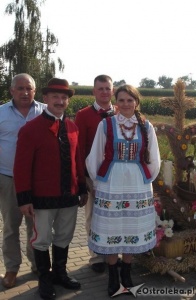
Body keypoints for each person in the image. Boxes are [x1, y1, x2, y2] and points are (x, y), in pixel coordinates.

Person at [13, 78, 88, 299]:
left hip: (69, 196)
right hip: (42, 198)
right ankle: (45, 280)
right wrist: (24, 198)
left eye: (64, 97)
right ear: (45, 99)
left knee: (64, 236)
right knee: (42, 239)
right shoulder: (30, 129)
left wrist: (82, 188)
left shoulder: (73, 127)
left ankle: (61, 274)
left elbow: (78, 160)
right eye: (55, 96)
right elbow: (22, 167)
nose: (60, 101)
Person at [86, 84, 161, 296]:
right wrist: (98, 181)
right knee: (111, 226)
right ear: (116, 102)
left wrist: (147, 180)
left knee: (131, 227)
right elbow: (95, 155)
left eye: (130, 100)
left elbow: (154, 157)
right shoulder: (106, 125)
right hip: (112, 181)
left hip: (137, 182)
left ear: (136, 102)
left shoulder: (146, 126)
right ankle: (112, 276)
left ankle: (126, 274)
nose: (126, 104)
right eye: (121, 100)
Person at [0, 73, 46, 289]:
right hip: (8, 178)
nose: (25, 92)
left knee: (36, 226)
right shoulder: (0, 113)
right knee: (11, 226)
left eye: (29, 88)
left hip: (36, 180)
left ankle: (37, 265)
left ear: (34, 91)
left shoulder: (45, 112)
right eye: (20, 88)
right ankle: (11, 268)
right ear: (12, 91)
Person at [75, 75, 117, 273]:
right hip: (93, 174)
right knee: (93, 214)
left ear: (113, 90)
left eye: (107, 88)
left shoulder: (121, 112)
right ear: (94, 91)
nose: (104, 92)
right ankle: (95, 257)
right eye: (100, 88)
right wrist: (83, 176)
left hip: (117, 175)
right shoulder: (83, 115)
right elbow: (79, 148)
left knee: (114, 214)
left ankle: (114, 252)